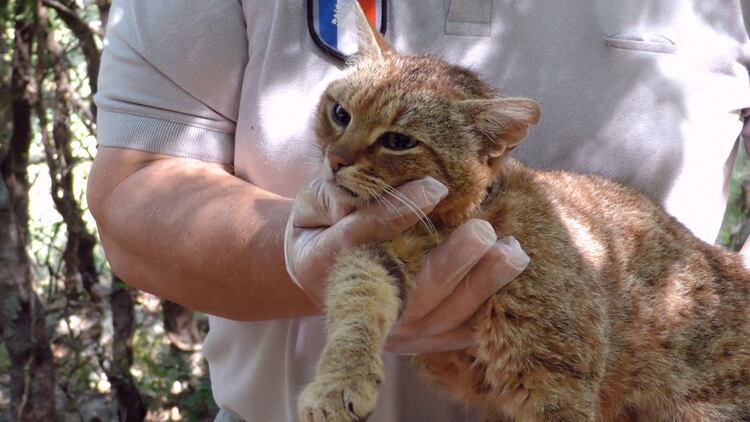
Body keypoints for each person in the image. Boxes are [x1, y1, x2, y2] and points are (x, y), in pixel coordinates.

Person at [87, 1, 750, 420]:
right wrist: (296, 259)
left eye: (391, 141)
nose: (341, 156)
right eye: (338, 117)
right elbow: (131, 189)